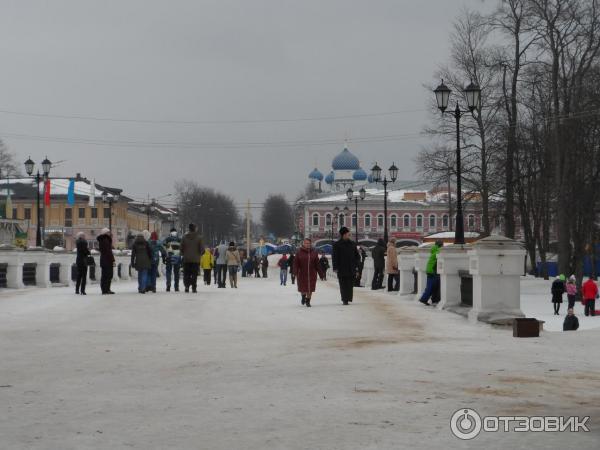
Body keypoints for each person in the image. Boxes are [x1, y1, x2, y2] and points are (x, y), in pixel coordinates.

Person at [293, 238, 325, 307]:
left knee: (310, 288)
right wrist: (295, 272)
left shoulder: (314, 253)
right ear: (303, 244)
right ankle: (303, 296)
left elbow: (317, 264)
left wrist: (321, 274)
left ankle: (308, 301)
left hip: (312, 274)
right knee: (303, 288)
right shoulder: (299, 253)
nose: (308, 245)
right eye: (306, 243)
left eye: (309, 243)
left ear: (311, 244)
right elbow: (295, 263)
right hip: (302, 274)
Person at [332, 227, 360, 305]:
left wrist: (357, 265)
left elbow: (357, 256)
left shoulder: (352, 244)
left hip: (351, 267)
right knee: (343, 284)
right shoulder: (337, 245)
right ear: (344, 234)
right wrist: (335, 267)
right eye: (348, 234)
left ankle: (348, 298)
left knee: (350, 284)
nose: (349, 235)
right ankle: (345, 299)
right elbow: (334, 257)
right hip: (341, 268)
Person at [419, 240, 443, 306]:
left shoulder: (434, 251)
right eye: (442, 245)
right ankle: (424, 299)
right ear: (440, 245)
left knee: (433, 286)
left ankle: (433, 299)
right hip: (433, 271)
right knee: (431, 287)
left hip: (429, 270)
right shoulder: (439, 251)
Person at [181, 223, 203, 293]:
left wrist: (183, 253)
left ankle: (187, 286)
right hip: (195, 259)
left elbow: (181, 247)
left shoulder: (184, 237)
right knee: (194, 274)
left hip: (186, 259)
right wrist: (200, 253)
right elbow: (201, 249)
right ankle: (194, 287)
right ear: (194, 229)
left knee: (186, 273)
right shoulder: (199, 238)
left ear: (189, 229)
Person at [97, 228, 115, 295]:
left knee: (106, 275)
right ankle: (106, 290)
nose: (110, 233)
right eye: (108, 232)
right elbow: (108, 252)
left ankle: (106, 289)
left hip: (104, 260)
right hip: (107, 260)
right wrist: (112, 260)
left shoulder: (104, 240)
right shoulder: (105, 240)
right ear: (106, 233)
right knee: (108, 275)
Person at [163, 228, 182, 292]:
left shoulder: (167, 239)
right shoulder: (179, 239)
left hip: (169, 257)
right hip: (177, 257)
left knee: (168, 272)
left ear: (170, 232)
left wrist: (165, 254)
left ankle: (168, 285)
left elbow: (163, 245)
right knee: (176, 273)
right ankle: (176, 287)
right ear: (176, 232)